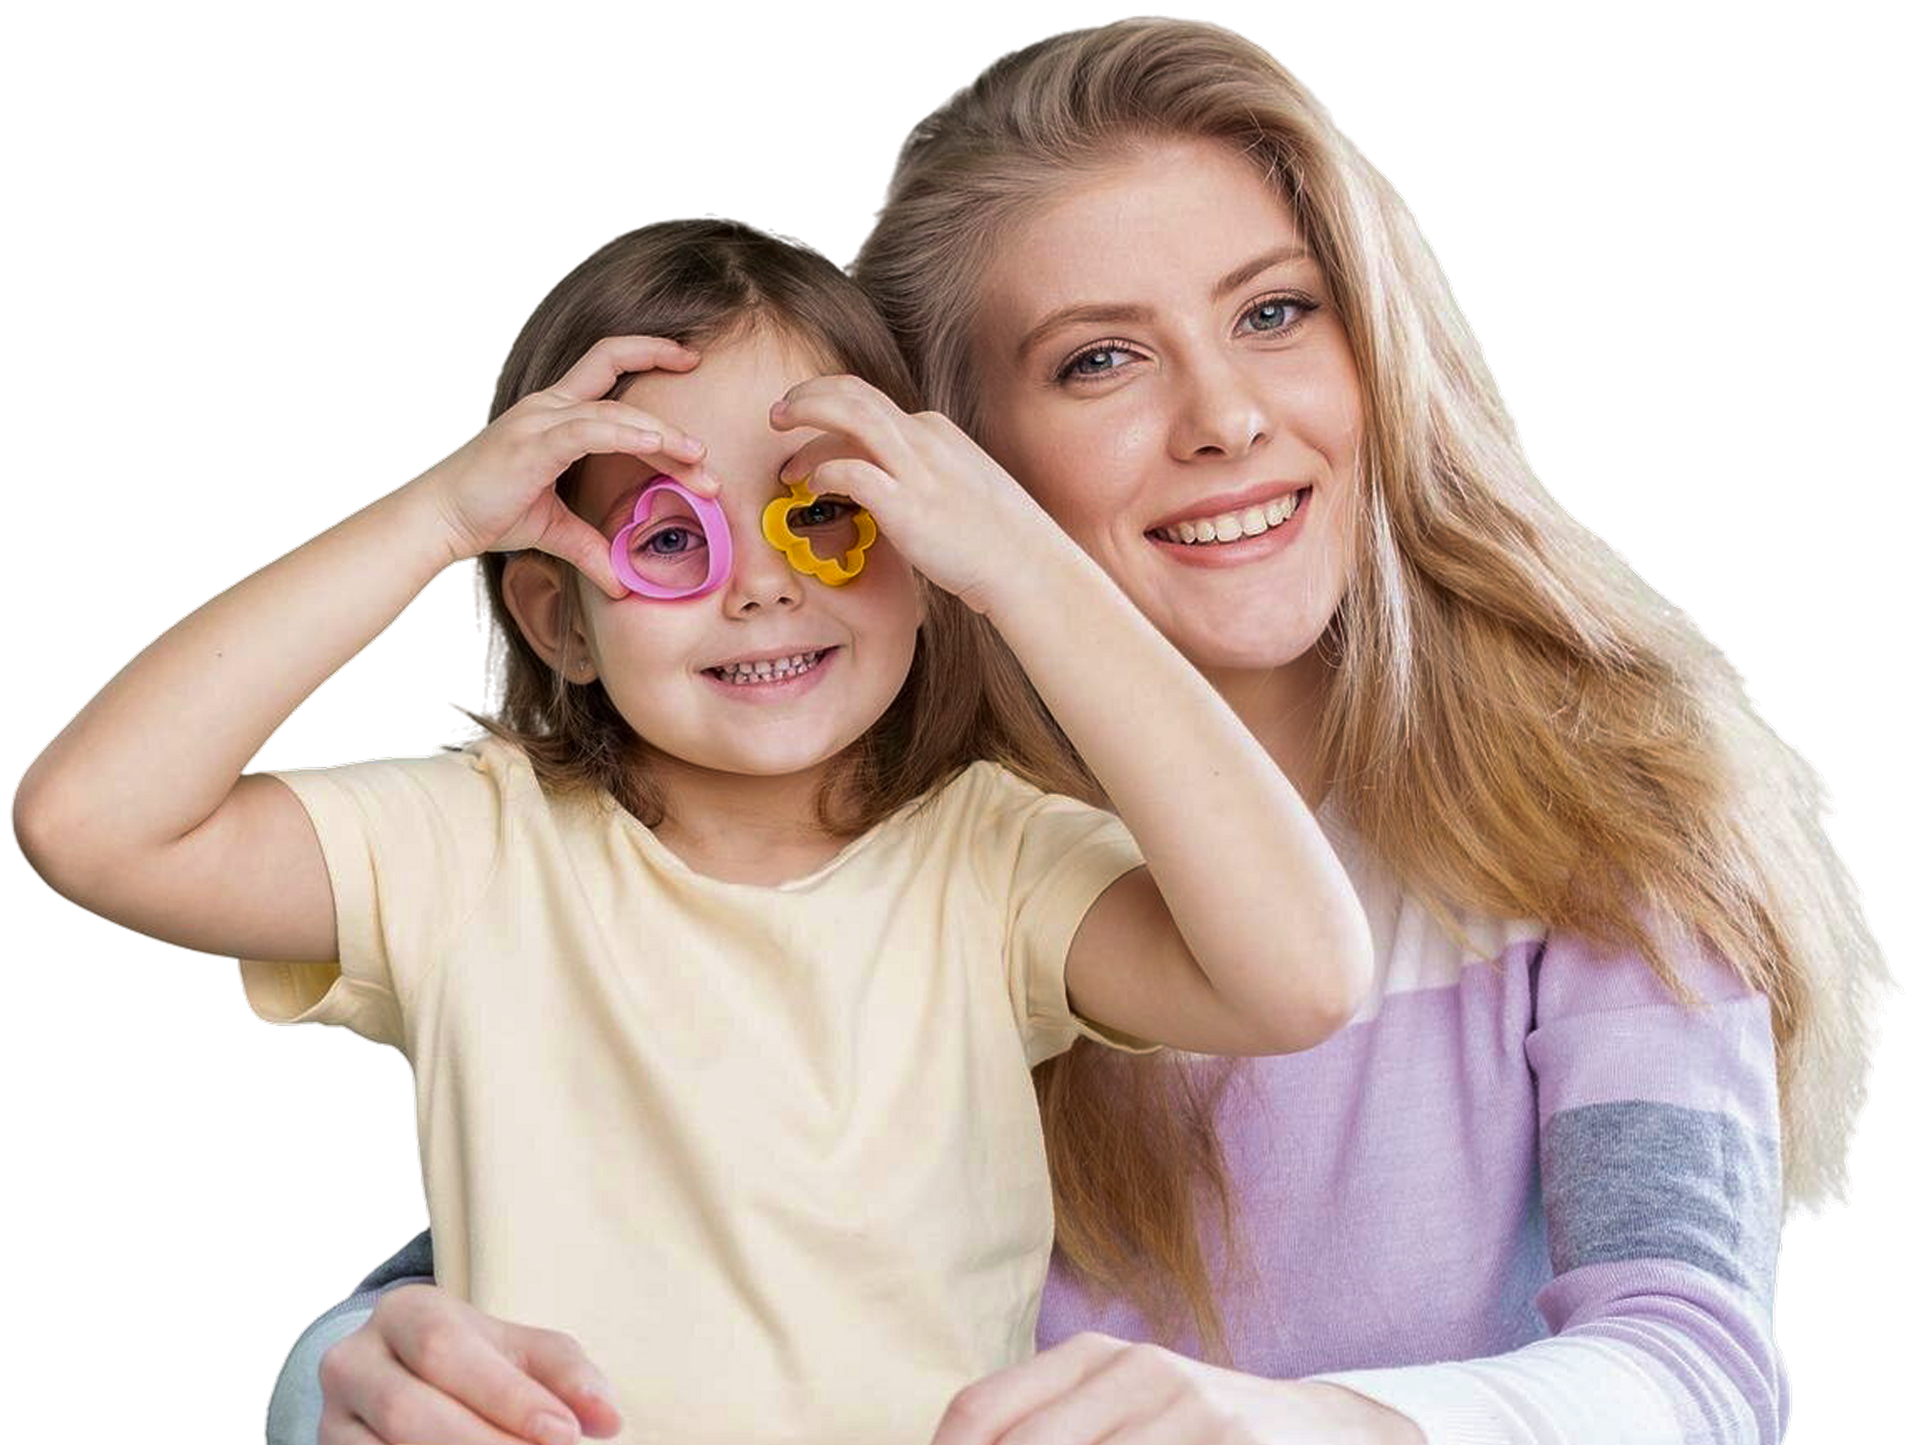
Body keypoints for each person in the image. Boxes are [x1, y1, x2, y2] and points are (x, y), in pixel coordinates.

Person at [257, 17, 1891, 1445]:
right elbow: (590, 1236)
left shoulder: (1599, 826)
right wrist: (342, 1368)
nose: (1227, 418)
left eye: (1275, 314)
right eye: (1099, 358)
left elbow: (1693, 1375)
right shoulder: (914, 851)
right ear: (940, 464)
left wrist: (1299, 1428)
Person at [12, 214, 1379, 1445]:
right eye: (675, 541)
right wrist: (437, 515)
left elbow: (1304, 976)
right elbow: (88, 826)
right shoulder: (471, 849)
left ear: (928, 557)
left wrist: (1027, 569)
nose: (766, 591)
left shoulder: (994, 862)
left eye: (828, 516)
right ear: (564, 622)